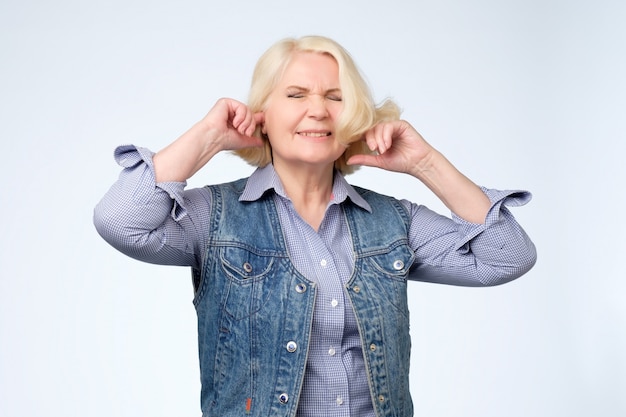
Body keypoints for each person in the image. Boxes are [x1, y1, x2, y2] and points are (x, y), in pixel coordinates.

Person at [94, 35, 536, 417]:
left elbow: (508, 256)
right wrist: (209, 137)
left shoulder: (394, 222)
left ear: (356, 117)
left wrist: (426, 164)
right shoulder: (215, 217)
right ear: (261, 113)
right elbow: (121, 221)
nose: (318, 110)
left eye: (336, 97)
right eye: (296, 95)